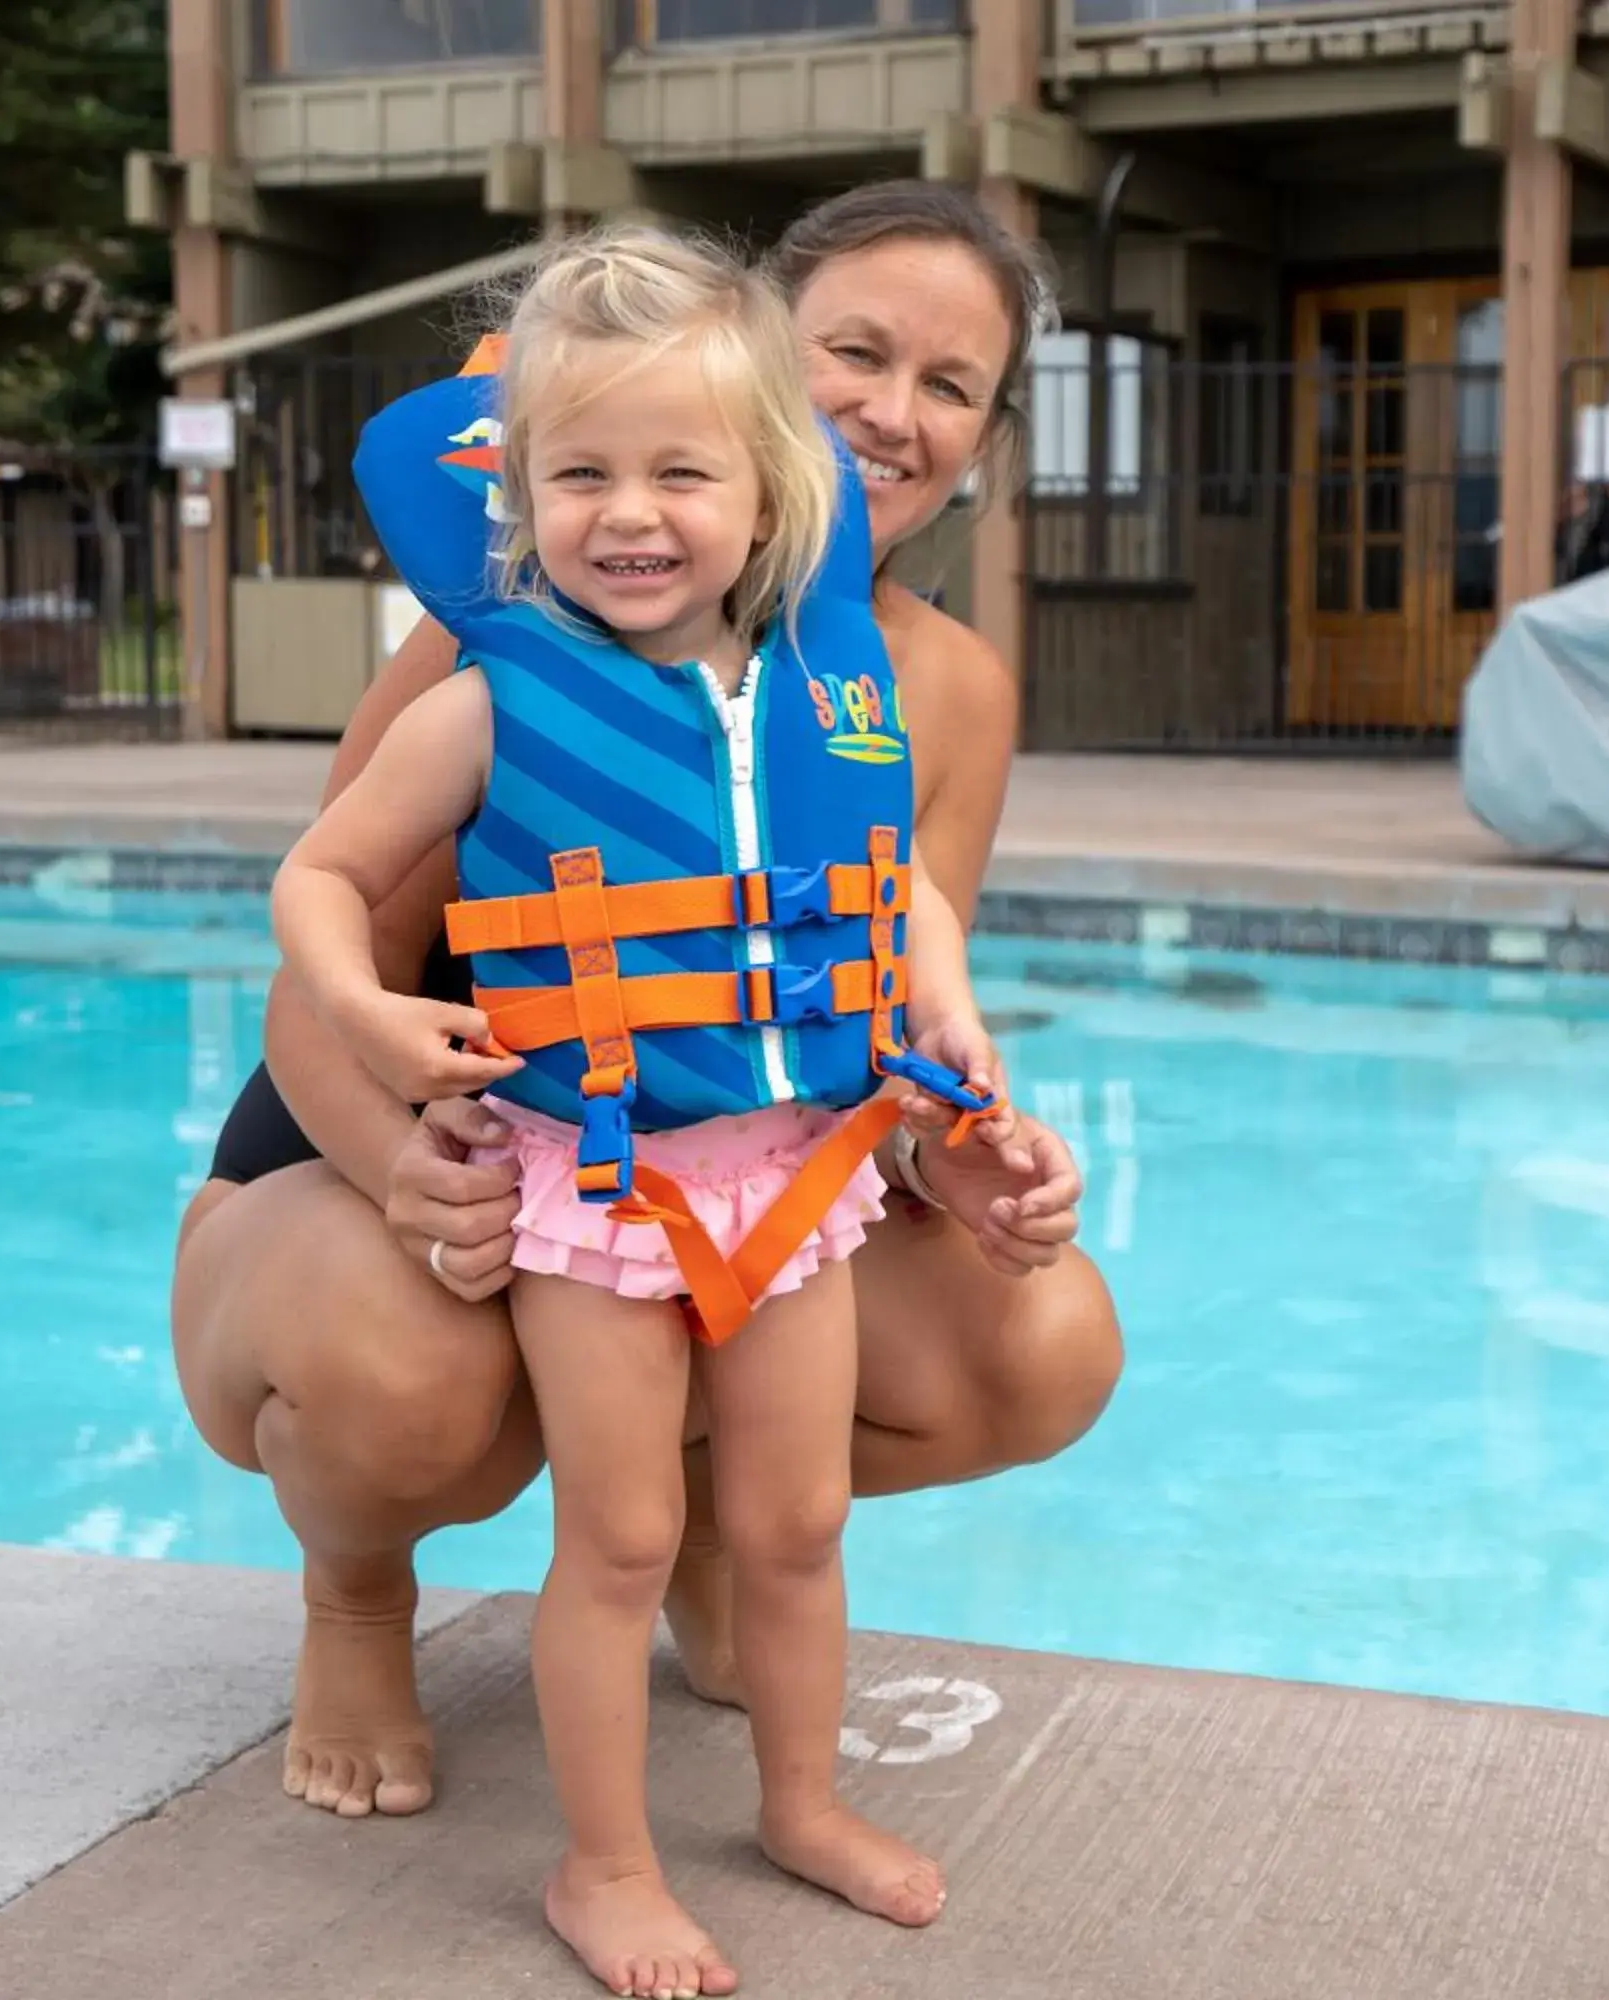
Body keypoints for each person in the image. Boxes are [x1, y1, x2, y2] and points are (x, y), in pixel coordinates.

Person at [169, 176, 1122, 1830]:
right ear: (744, 356)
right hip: (412, 1158)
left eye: (950, 385)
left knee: (1034, 1344)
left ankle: (692, 1526)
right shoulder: (513, 643)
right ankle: (357, 1605)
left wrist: (940, 1149)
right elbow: (319, 994)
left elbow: (874, 993)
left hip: (721, 1173)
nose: (892, 417)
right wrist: (412, 1175)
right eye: (856, 354)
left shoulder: (941, 692)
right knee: (413, 1380)